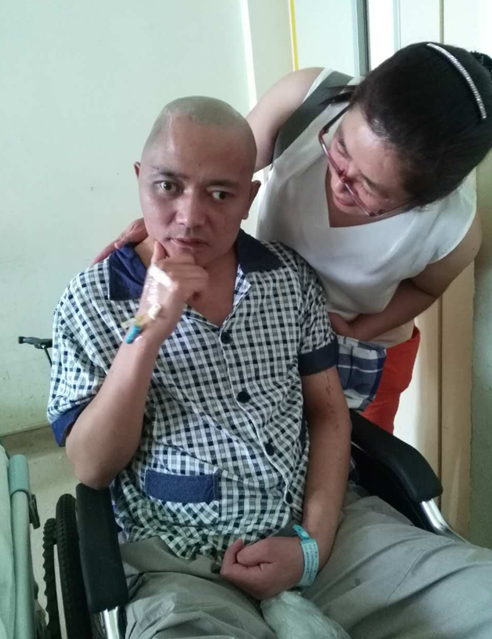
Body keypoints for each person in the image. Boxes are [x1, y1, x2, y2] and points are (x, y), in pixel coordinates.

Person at [48, 97, 492, 639]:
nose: (190, 216)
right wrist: (146, 332)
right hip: (177, 558)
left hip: (324, 532)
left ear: (249, 198)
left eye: (219, 194)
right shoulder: (92, 299)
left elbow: (328, 414)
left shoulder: (289, 279)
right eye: (168, 186)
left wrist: (312, 546)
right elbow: (92, 467)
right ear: (140, 179)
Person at [94, 42, 492, 433]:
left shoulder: (453, 231)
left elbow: (424, 289)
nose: (340, 180)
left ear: (425, 200)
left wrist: (360, 330)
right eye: (340, 146)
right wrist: (173, 220)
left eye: (369, 188)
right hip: (275, 323)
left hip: (364, 347)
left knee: (362, 453)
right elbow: (214, 171)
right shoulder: (306, 101)